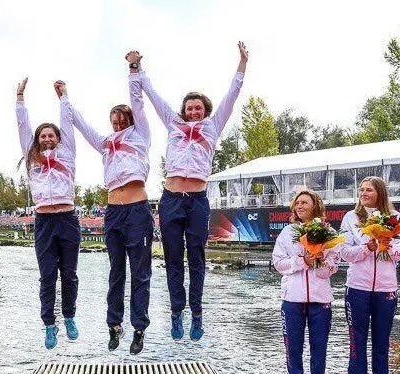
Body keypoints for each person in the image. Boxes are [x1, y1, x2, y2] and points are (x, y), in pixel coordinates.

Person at [139, 42, 247, 341]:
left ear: (206, 110)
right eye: (189, 108)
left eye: (198, 107)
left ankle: (197, 312)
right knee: (173, 258)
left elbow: (232, 95)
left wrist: (242, 64)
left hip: (197, 200)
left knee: (196, 257)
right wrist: (137, 69)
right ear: (183, 111)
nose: (194, 111)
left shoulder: (213, 126)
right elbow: (153, 96)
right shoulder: (173, 123)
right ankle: (176, 312)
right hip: (171, 199)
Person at [60, 51, 152, 355]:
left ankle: (139, 328)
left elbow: (138, 101)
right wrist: (64, 99)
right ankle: (115, 325)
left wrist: (134, 68)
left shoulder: (140, 135)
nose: (117, 125)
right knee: (116, 271)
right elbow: (82, 125)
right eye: (114, 122)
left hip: (137, 210)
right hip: (113, 212)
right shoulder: (105, 144)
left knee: (140, 273)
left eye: (122, 120)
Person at [16, 77, 80, 350]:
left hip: (67, 218)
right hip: (44, 220)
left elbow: (67, 122)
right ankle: (49, 324)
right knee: (47, 276)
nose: (47, 138)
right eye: (42, 136)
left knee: (69, 274)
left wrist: (63, 97)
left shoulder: (67, 153)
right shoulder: (32, 156)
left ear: (58, 138)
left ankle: (69, 316)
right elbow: (22, 127)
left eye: (51, 135)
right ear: (37, 140)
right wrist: (20, 99)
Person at [339, 176, 400, 374]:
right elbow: (344, 253)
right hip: (357, 287)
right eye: (361, 190)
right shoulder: (351, 217)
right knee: (356, 338)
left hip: (386, 288)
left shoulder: (395, 218)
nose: (364, 193)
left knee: (382, 339)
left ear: (380, 193)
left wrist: (387, 245)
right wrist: (366, 248)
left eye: (369, 190)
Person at [272, 190, 340, 374]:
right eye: (297, 203)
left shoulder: (328, 233)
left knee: (319, 346)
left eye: (304, 203)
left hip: (321, 299)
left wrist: (319, 261)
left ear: (315, 206)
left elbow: (333, 267)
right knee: (293, 345)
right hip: (292, 299)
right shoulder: (287, 232)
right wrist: (302, 262)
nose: (299, 206)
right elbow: (278, 263)